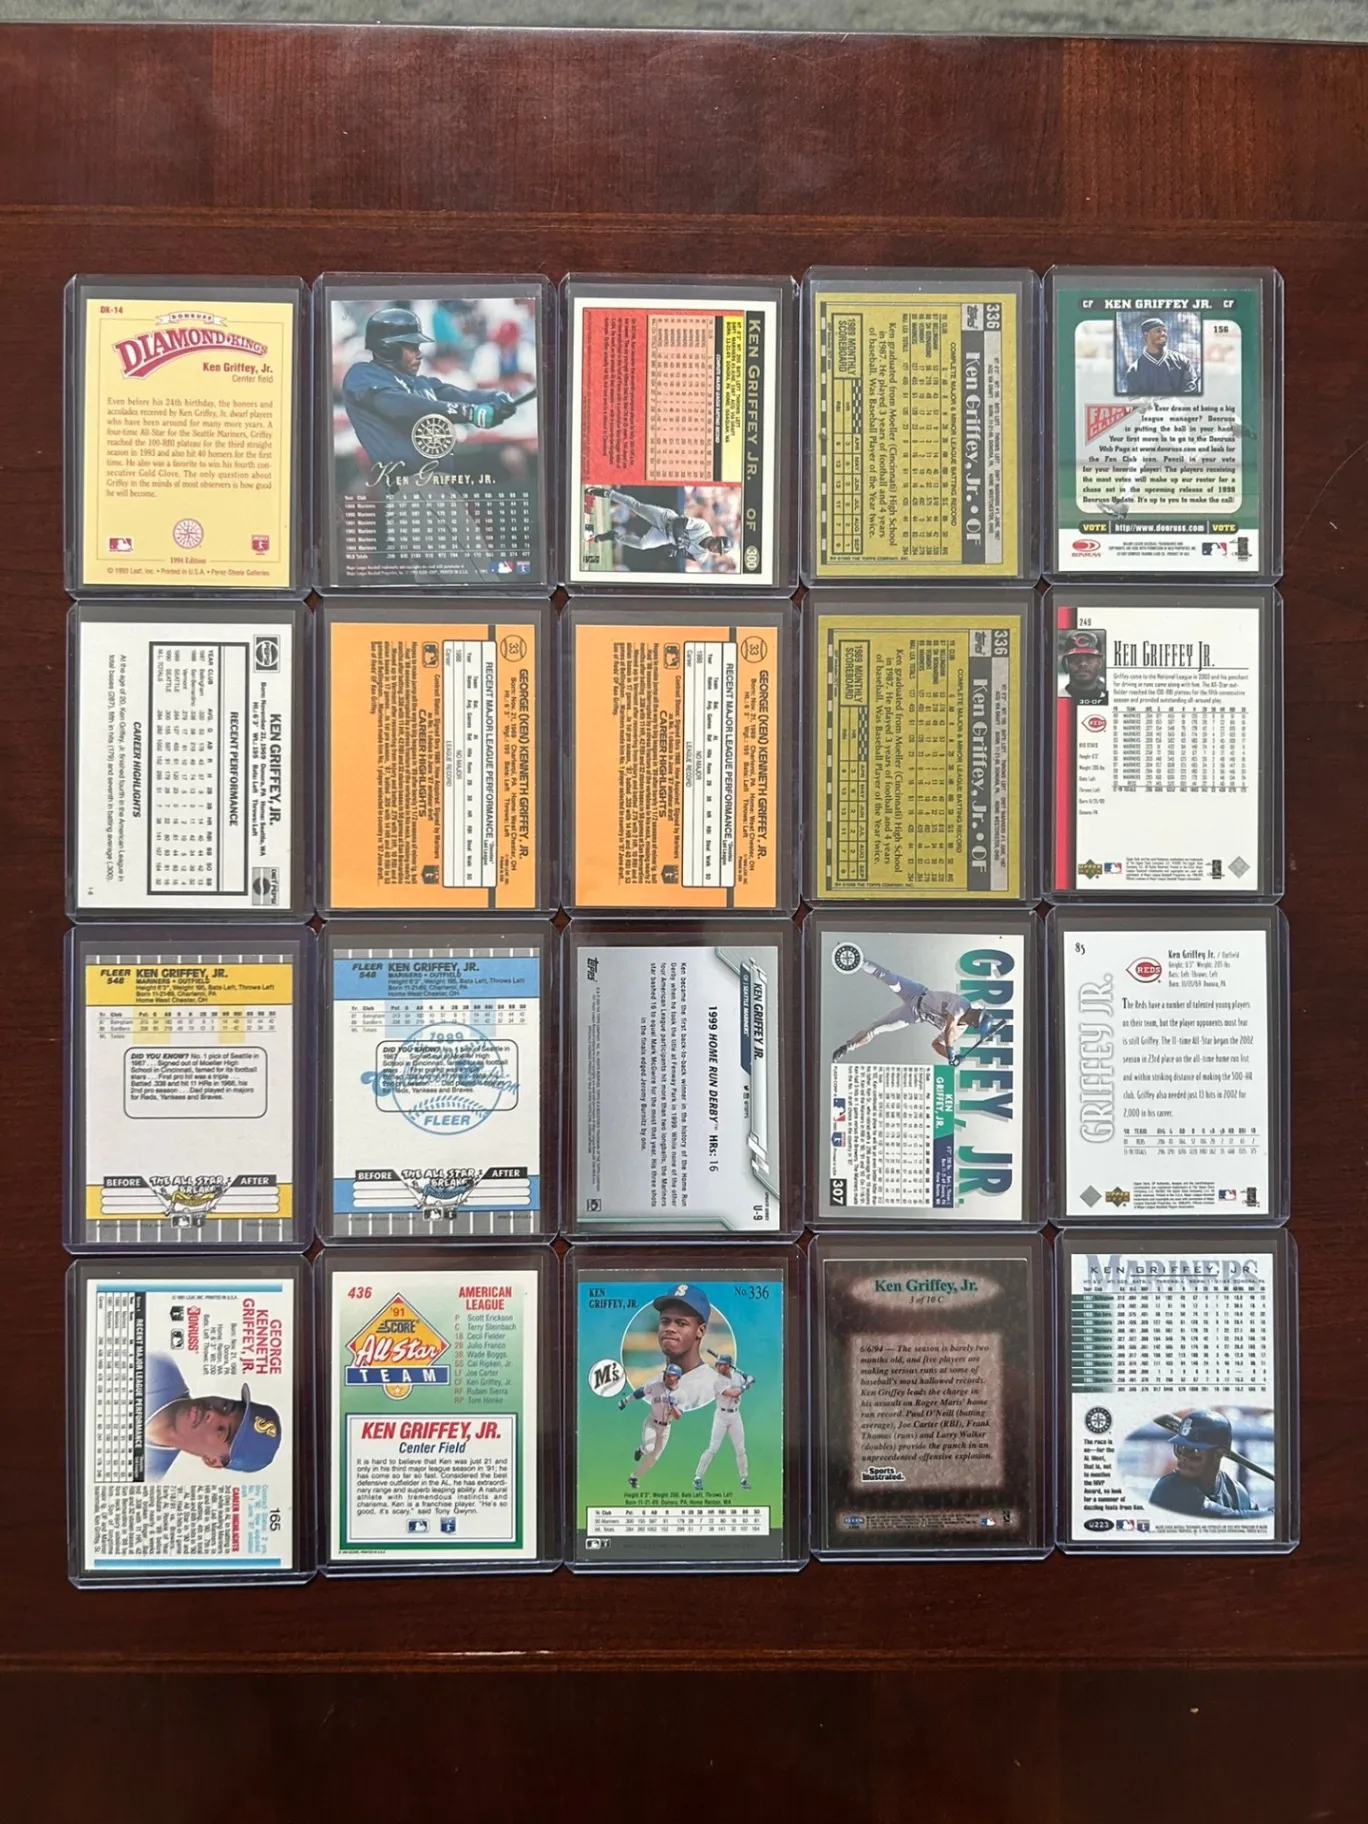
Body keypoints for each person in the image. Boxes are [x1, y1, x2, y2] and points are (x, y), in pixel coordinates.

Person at [342, 307, 517, 481]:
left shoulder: (417, 382)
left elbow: (455, 394)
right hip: (397, 486)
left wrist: (496, 397)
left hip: (434, 483)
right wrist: (470, 412)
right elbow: (405, 406)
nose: (419, 355)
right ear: (388, 349)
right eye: (412, 348)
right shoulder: (363, 376)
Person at [831, 959, 1005, 1067]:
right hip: (917, 992)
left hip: (914, 1014)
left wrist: (950, 1057)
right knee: (889, 978)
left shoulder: (959, 1031)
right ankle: (858, 961)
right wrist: (951, 1050)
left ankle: (847, 1047)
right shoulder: (963, 1004)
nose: (977, 1010)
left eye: (978, 1015)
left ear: (974, 1023)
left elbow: (936, 1044)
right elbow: (950, 1026)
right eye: (980, 1010)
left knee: (877, 1028)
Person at [143, 1354, 282, 1481]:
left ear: (212, 1460)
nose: (213, 1413)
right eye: (226, 1407)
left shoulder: (150, 1473)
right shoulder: (158, 1368)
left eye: (221, 1431)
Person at [1148, 1410, 1264, 1516]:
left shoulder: (1236, 1491)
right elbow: (1226, 1517)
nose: (1183, 1457)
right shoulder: (1170, 1488)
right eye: (1180, 1448)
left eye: (1194, 1451)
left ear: (1219, 1453)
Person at [584, 485, 733, 566]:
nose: (715, 549)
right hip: (666, 519)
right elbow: (679, 523)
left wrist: (675, 552)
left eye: (718, 551)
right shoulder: (704, 527)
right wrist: (679, 541)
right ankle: (607, 493)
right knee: (636, 506)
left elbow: (683, 554)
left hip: (665, 536)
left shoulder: (702, 556)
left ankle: (613, 536)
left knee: (642, 545)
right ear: (718, 538)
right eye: (718, 546)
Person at [645, 1283, 718, 1412]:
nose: (670, 1328)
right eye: (665, 1321)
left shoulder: (712, 1388)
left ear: (700, 1330)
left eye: (681, 1323)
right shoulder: (651, 1384)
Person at [693, 1354, 753, 1491]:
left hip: (735, 1415)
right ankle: (698, 1477)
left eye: (721, 1364)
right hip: (721, 1416)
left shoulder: (737, 1376)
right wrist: (745, 1385)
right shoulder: (717, 1381)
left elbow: (747, 1387)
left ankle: (744, 1479)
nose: (718, 1367)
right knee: (713, 1447)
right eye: (718, 1364)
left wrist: (748, 1380)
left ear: (728, 1366)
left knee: (740, 1449)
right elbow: (734, 1393)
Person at [618, 1362, 682, 1488]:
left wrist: (673, 1406)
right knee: (648, 1448)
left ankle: (634, 1477)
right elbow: (640, 1393)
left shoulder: (681, 1394)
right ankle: (640, 1450)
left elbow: (678, 1416)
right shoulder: (656, 1386)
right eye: (667, 1374)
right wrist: (626, 1400)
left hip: (666, 1428)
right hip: (652, 1423)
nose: (667, 1377)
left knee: (654, 1458)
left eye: (671, 1375)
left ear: (678, 1378)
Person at [1121, 316, 1198, 397]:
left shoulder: (1182, 362)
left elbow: (1191, 394)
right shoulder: (1134, 371)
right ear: (1146, 336)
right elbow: (1134, 400)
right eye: (1158, 331)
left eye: (1165, 331)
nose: (1163, 334)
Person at [1058, 630, 1108, 703]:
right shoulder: (1055, 699)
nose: (1082, 663)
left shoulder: (1111, 700)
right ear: (1066, 662)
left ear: (1100, 662)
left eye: (1089, 658)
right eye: (1075, 658)